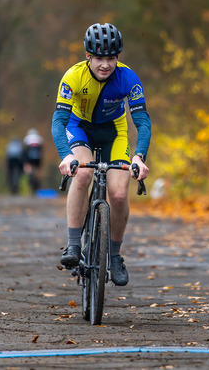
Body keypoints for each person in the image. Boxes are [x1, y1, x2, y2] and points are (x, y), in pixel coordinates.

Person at [55, 22, 151, 287]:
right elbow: (59, 121)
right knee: (83, 173)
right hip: (80, 128)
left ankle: (115, 255)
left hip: (114, 132)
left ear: (117, 57)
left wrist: (139, 156)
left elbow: (142, 121)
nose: (105, 65)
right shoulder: (73, 77)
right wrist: (66, 155)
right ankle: (74, 245)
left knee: (119, 194)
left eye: (111, 58)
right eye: (99, 58)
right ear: (88, 56)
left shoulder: (128, 78)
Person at [23, 128, 43, 194]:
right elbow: (41, 150)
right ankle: (37, 178)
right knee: (37, 170)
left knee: (29, 170)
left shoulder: (26, 138)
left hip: (29, 157)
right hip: (38, 156)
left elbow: (25, 151)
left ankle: (31, 179)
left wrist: (26, 163)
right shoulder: (40, 138)